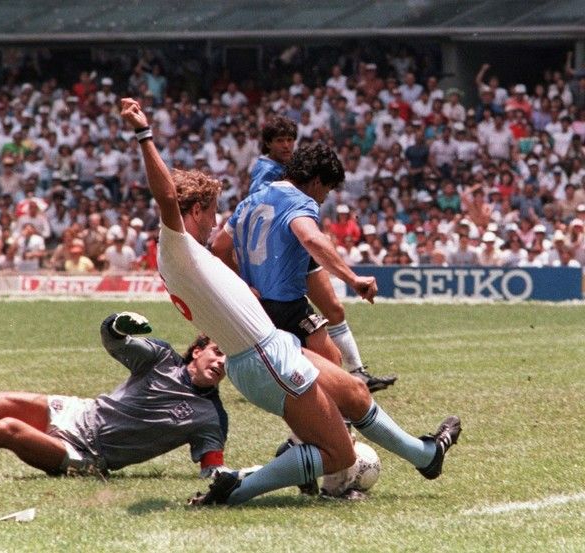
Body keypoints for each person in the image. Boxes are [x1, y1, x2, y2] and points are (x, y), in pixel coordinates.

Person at [119, 98, 460, 507]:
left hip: (270, 346)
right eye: (210, 214)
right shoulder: (178, 247)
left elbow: (223, 251)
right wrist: (144, 134)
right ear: (194, 210)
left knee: (354, 391)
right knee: (339, 455)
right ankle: (237, 488)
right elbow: (166, 197)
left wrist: (243, 290)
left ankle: (426, 456)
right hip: (264, 359)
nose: (214, 223)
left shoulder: (192, 255)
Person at [0, 312, 229, 479]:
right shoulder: (161, 357)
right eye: (217, 351)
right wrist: (118, 322)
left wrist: (229, 479)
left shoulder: (211, 417)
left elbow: (212, 469)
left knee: (6, 429)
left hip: (88, 454)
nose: (220, 362)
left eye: (229, 359)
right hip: (78, 412)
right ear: (197, 350)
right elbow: (114, 340)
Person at [213, 145, 396, 392]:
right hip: (286, 303)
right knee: (331, 366)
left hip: (254, 303)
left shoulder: (249, 201)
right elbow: (310, 238)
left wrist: (244, 284)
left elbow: (219, 246)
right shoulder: (300, 202)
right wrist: (353, 278)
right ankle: (333, 415)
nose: (324, 198)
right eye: (327, 189)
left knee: (304, 370)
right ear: (316, 181)